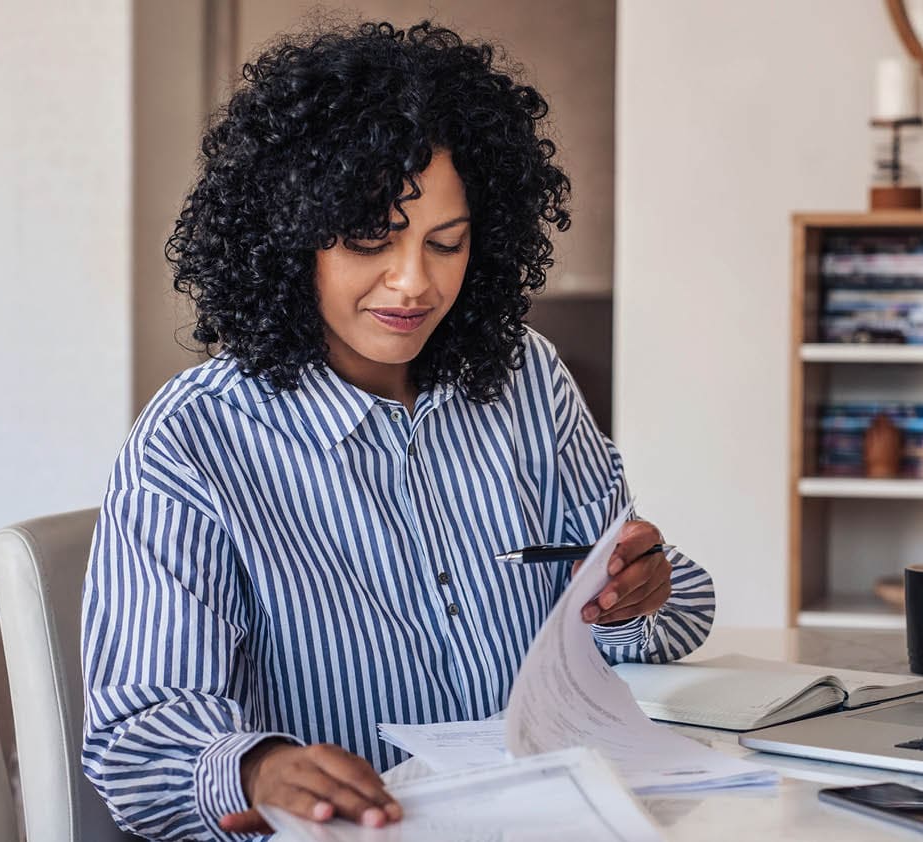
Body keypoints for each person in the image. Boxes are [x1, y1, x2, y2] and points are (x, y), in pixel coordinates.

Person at [81, 19, 715, 842]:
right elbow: (140, 738)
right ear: (288, 240)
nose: (414, 283)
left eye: (445, 245)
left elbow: (648, 621)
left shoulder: (527, 378)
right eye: (369, 241)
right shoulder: (196, 439)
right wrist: (257, 767)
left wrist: (639, 594)